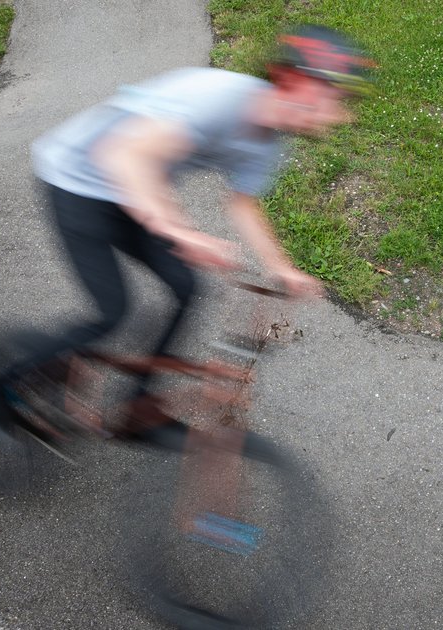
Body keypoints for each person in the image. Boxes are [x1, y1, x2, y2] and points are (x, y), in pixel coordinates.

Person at [25, 24, 374, 436]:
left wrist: (281, 267)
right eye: (337, 98)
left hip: (133, 191)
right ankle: (9, 386)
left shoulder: (268, 142)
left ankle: (138, 403)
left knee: (187, 287)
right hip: (76, 180)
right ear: (297, 82)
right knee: (112, 312)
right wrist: (179, 232)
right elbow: (122, 154)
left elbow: (242, 202)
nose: (341, 114)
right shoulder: (217, 99)